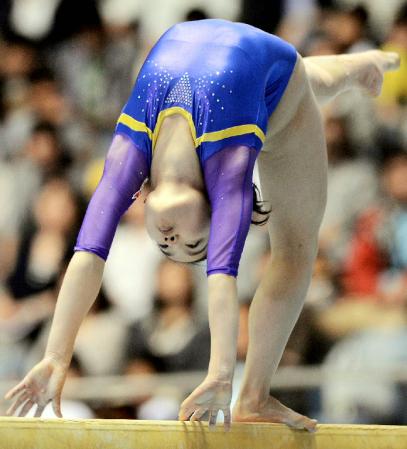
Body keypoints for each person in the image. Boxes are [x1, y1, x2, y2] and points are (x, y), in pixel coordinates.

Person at [4, 19, 399, 431]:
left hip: (245, 62)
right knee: (297, 245)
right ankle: (255, 394)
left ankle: (357, 67)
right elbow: (221, 276)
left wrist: (55, 356)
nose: (173, 243)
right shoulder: (227, 167)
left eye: (167, 247)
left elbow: (87, 255)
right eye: (194, 246)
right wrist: (221, 374)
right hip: (276, 79)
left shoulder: (128, 156)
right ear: (213, 207)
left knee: (306, 86)